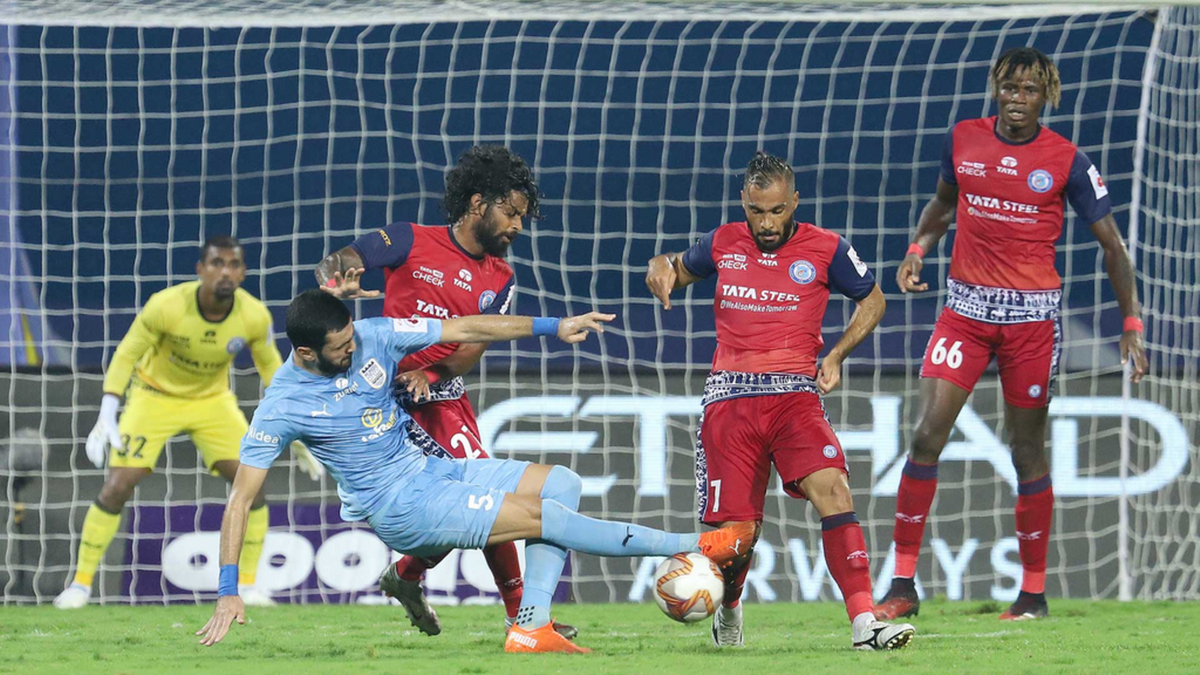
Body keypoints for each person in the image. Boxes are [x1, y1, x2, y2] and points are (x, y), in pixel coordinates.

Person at [195, 289, 755, 654]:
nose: (352, 348)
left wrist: (552, 325)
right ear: (306, 353)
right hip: (401, 508)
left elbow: (464, 327)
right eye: (340, 348)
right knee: (542, 515)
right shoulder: (283, 404)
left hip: (433, 470)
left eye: (351, 338)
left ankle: (530, 626)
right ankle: (694, 545)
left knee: (561, 483)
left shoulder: (373, 334)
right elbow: (240, 499)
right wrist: (227, 590)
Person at [874, 47, 1148, 622]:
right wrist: (918, 248)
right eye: (1009, 88)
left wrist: (1130, 323)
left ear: (1046, 96)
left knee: (1026, 452)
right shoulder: (963, 139)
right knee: (924, 438)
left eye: (1029, 90)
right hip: (965, 315)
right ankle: (901, 585)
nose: (1017, 100)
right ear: (996, 89)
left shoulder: (1067, 160)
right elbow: (943, 205)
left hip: (1031, 326)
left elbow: (1113, 247)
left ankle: (1032, 595)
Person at [645, 152, 914, 651]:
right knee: (737, 536)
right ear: (743, 203)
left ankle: (864, 622)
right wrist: (659, 266)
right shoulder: (723, 241)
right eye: (756, 211)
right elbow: (674, 268)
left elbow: (873, 300)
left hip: (794, 396)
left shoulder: (828, 248)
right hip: (730, 399)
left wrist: (836, 354)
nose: (766, 223)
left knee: (834, 491)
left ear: (794, 202)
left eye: (775, 210)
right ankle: (729, 610)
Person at [314, 145, 545, 636]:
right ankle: (418, 578)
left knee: (482, 497)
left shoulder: (502, 278)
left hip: (442, 398)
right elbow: (345, 257)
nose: (518, 226)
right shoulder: (409, 239)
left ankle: (436, 585)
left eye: (522, 217)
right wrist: (337, 279)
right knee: (453, 506)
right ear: (478, 203)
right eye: (511, 212)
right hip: (383, 399)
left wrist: (432, 375)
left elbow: (470, 349)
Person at [54, 236, 323, 609]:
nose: (225, 271)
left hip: (212, 401)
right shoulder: (166, 306)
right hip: (153, 397)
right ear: (201, 270)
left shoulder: (253, 315)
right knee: (117, 485)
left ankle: (248, 585)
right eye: (216, 263)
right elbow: (127, 353)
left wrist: (294, 428)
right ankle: (80, 586)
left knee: (252, 482)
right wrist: (108, 408)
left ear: (243, 272)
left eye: (233, 264)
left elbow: (271, 369)